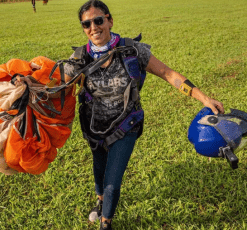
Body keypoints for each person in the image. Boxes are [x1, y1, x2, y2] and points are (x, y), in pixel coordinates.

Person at [63, 1, 224, 229]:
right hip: (94, 127)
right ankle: (99, 202)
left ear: (109, 20)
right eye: (86, 24)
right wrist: (26, 81)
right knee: (99, 167)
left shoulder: (132, 50)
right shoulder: (80, 57)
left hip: (126, 126)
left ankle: (105, 222)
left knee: (112, 181)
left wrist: (204, 98)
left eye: (98, 20)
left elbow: (168, 73)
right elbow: (55, 82)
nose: (93, 27)